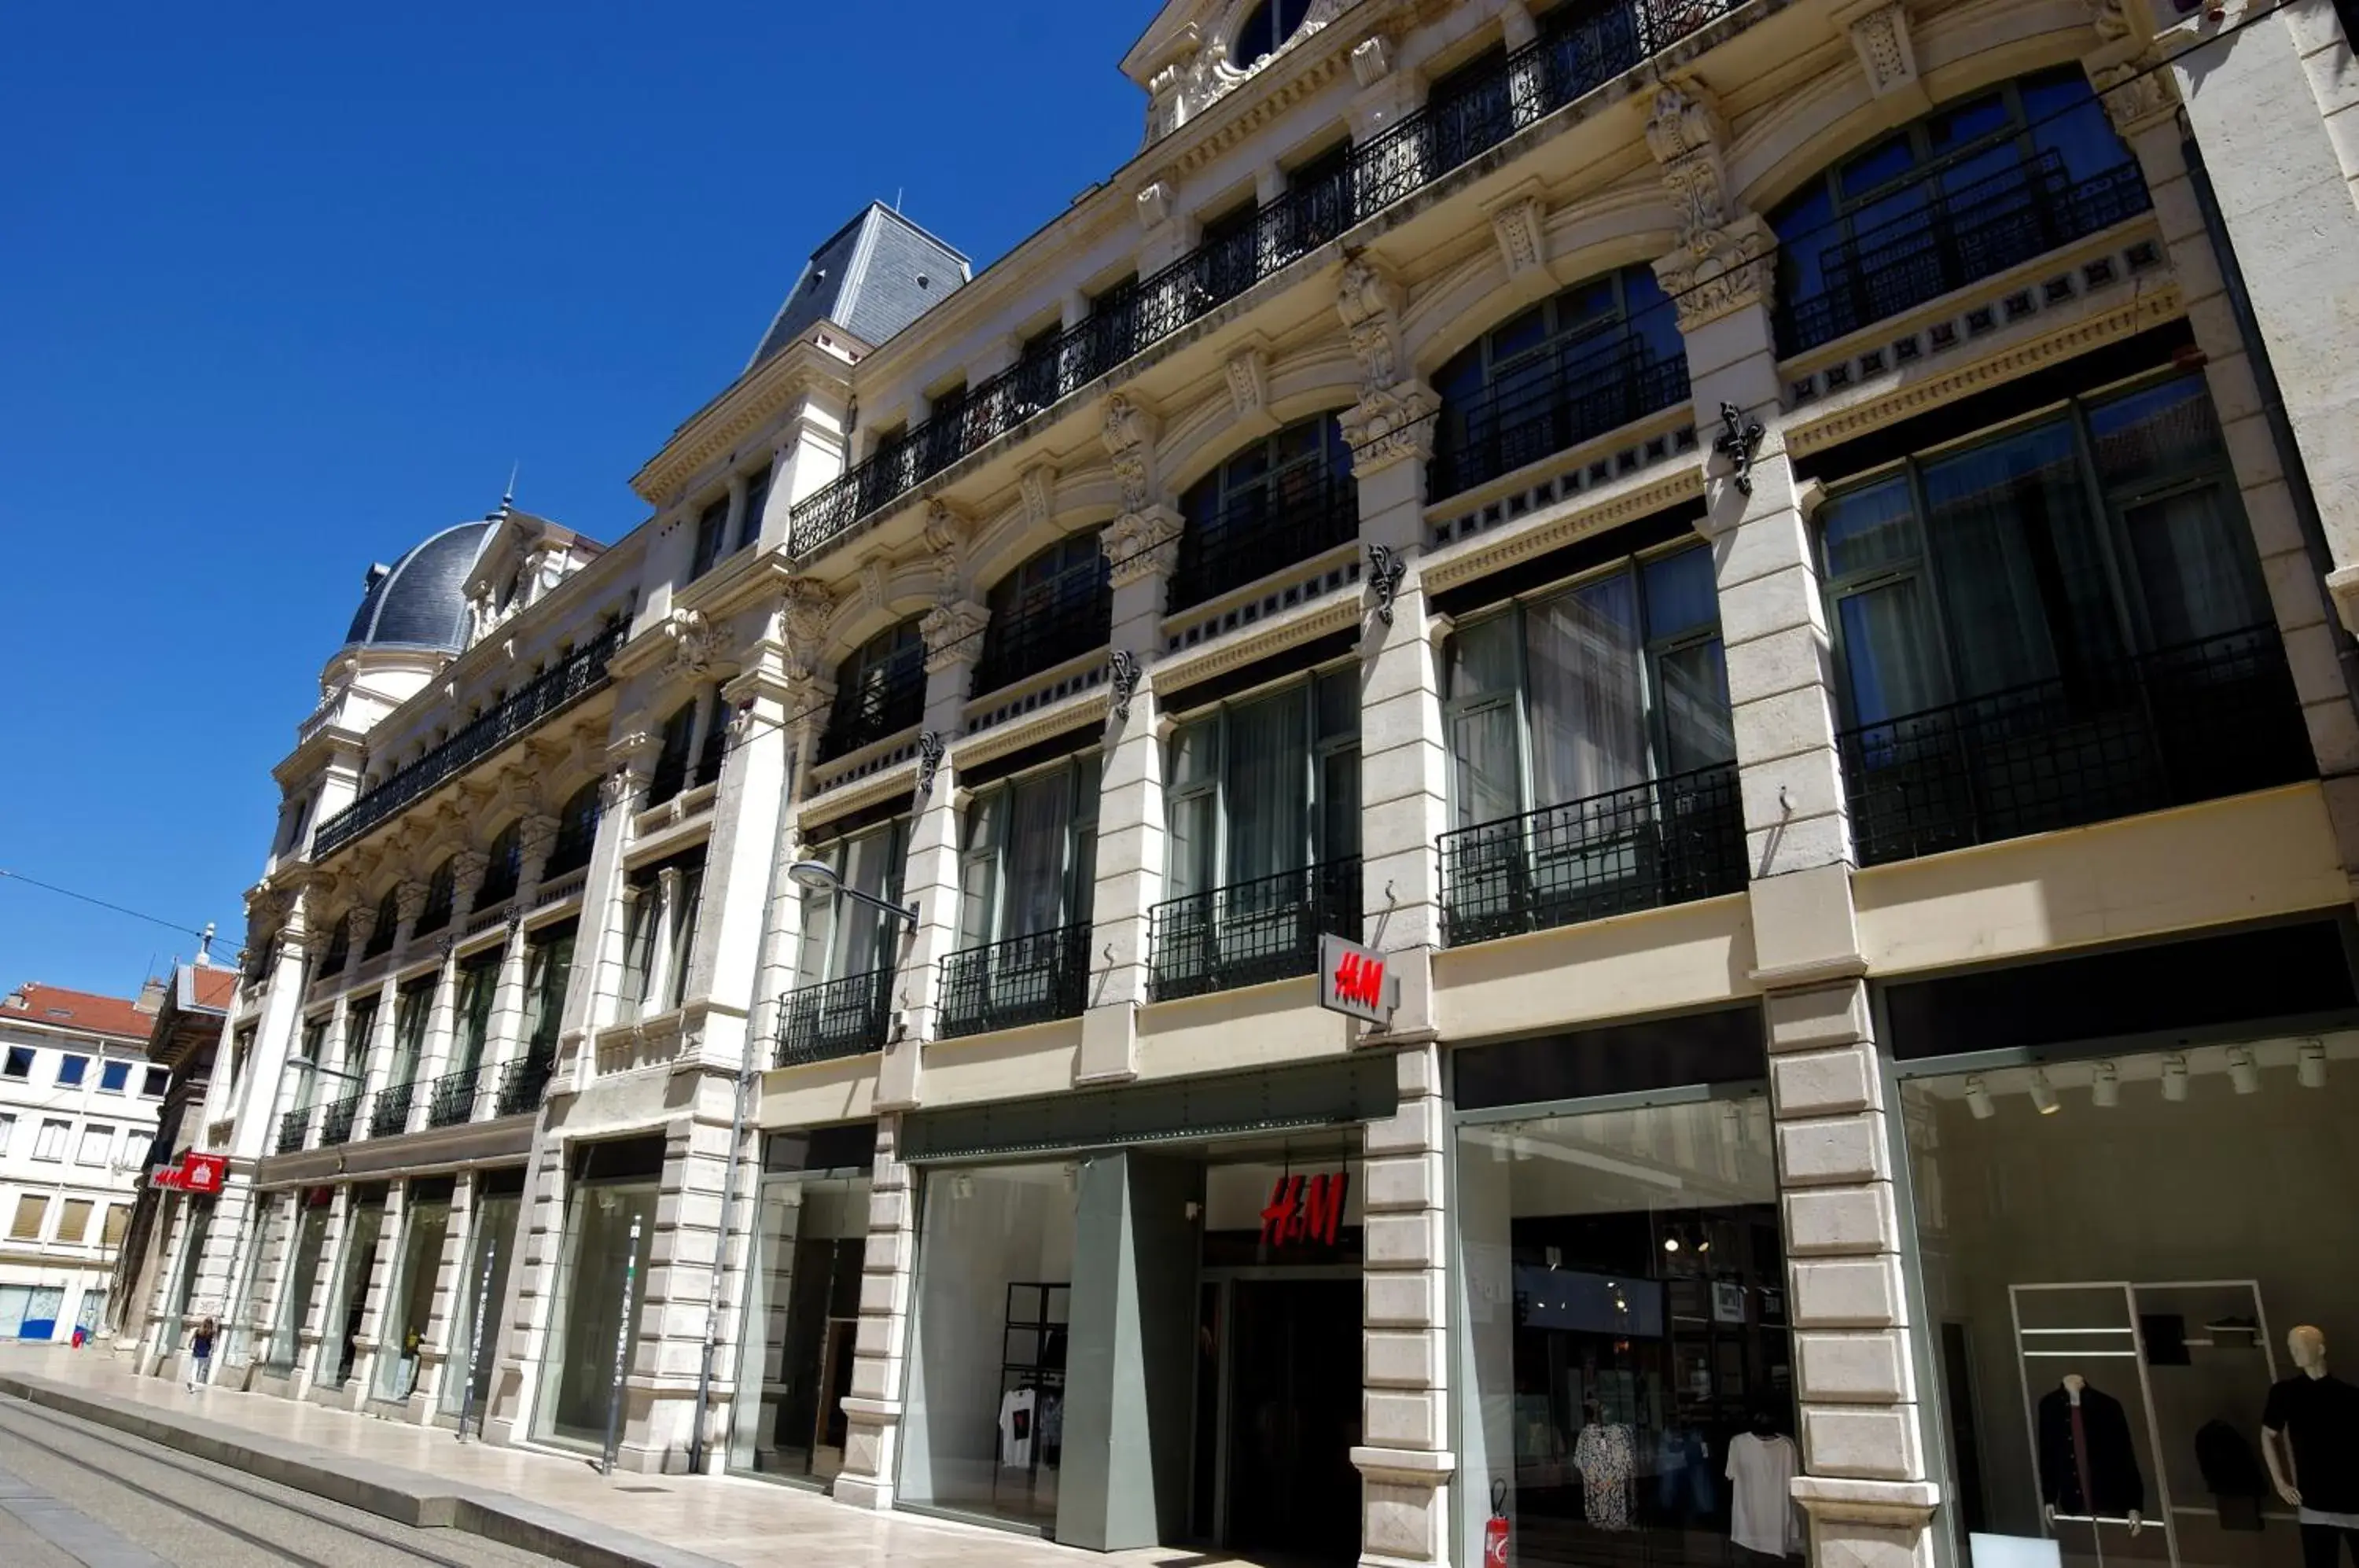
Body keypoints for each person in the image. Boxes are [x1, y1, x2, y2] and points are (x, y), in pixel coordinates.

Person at [186, 1316, 216, 1392]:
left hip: (196, 1352)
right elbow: (214, 1343)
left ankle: (191, 1382)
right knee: (198, 1370)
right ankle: (192, 1383)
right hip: (204, 1353)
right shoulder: (212, 1333)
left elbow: (192, 1339)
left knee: (194, 1368)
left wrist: (189, 1344)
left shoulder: (198, 1330)